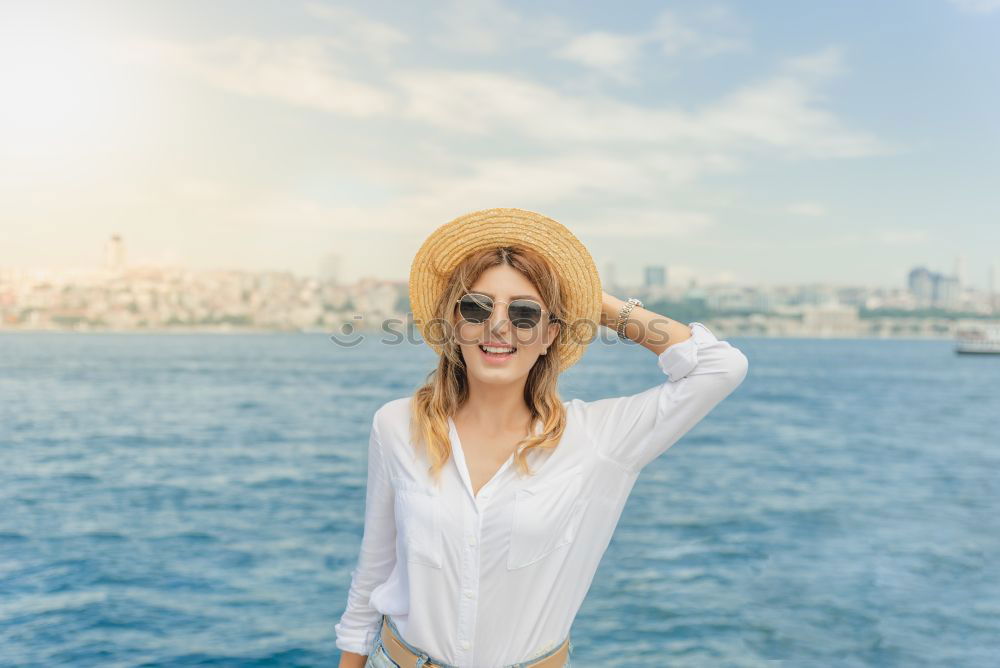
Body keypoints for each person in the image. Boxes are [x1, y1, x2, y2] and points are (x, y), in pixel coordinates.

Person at [335, 208, 749, 668]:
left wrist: (600, 304)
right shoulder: (396, 425)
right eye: (475, 307)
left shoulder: (597, 441)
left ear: (551, 333)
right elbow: (373, 576)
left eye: (524, 313)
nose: (497, 326)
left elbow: (720, 367)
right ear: (454, 324)